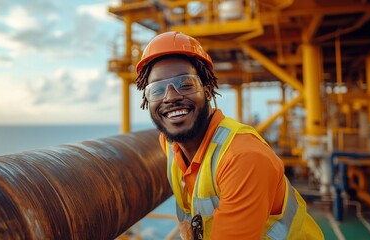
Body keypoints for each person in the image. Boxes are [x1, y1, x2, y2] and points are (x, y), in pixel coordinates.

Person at [135, 31, 324, 240]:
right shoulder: (172, 144)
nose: (170, 97)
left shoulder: (243, 157)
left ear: (207, 91)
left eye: (185, 84)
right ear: (147, 100)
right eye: (157, 90)